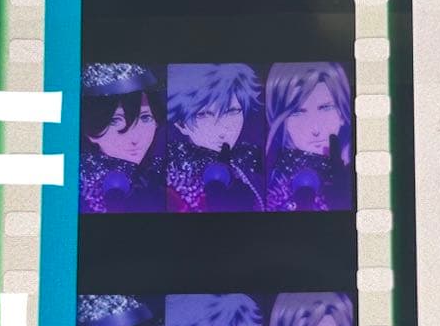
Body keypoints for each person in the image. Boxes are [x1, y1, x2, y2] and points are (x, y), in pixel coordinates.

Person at [166, 64, 264, 212]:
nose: (222, 128)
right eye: (204, 115)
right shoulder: (170, 181)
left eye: (233, 111)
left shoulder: (252, 168)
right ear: (181, 124)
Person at [79, 63, 166, 214]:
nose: (135, 138)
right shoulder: (78, 190)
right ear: (90, 130)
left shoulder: (162, 176)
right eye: (115, 121)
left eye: (145, 118)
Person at [265, 62, 352, 211]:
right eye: (298, 113)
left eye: (325, 108)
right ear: (282, 120)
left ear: (342, 112)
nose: (315, 129)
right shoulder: (271, 183)